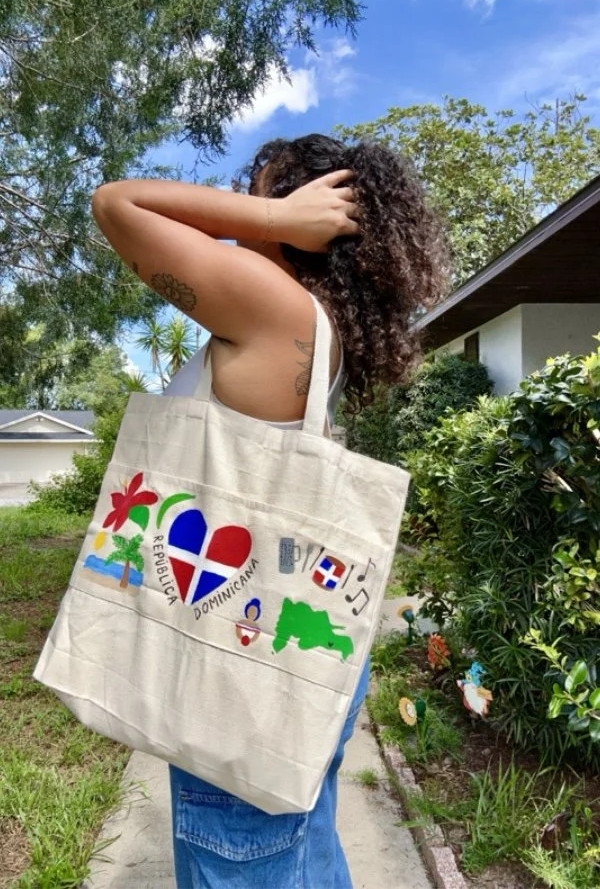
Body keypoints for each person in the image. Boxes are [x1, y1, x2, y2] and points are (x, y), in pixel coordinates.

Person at [91, 132, 449, 888]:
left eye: (268, 197)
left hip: (236, 668)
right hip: (292, 659)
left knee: (249, 854)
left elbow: (115, 204)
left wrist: (272, 220)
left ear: (313, 222)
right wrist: (275, 220)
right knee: (301, 845)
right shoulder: (318, 332)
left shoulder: (276, 307)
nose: (247, 216)